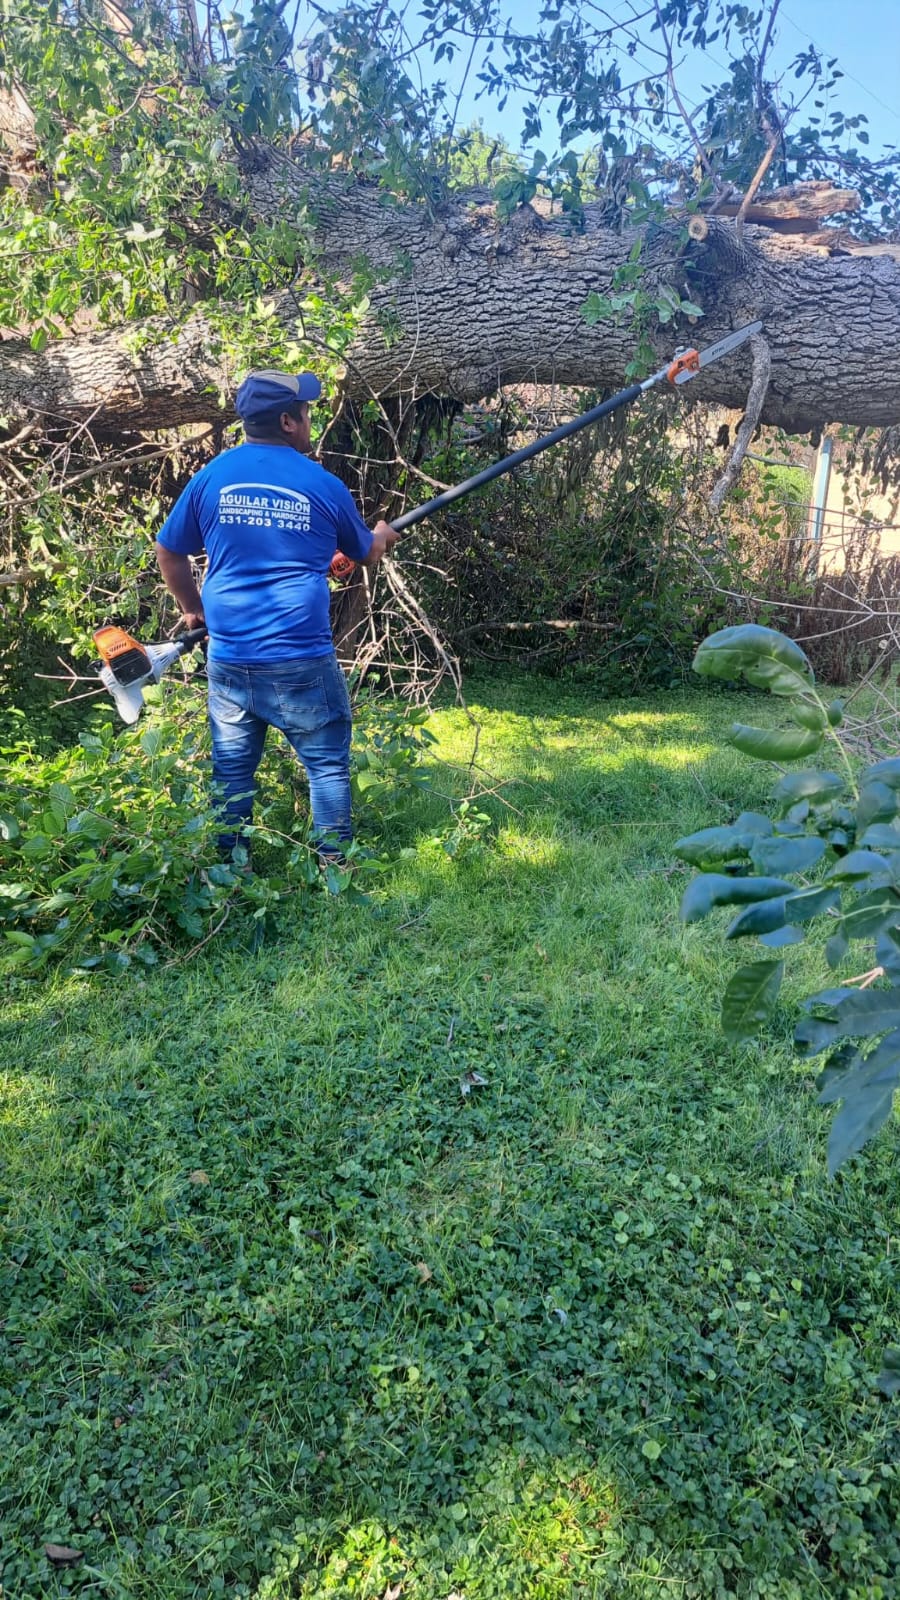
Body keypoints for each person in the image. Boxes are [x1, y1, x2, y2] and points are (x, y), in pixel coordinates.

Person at [155, 369, 398, 863]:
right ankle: (334, 871)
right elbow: (367, 552)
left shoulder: (212, 477)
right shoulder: (322, 484)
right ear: (288, 422)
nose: (310, 419)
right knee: (326, 766)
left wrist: (193, 609)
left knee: (231, 773)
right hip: (300, 658)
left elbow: (169, 550)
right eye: (306, 412)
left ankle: (228, 878)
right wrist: (382, 533)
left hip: (230, 657)